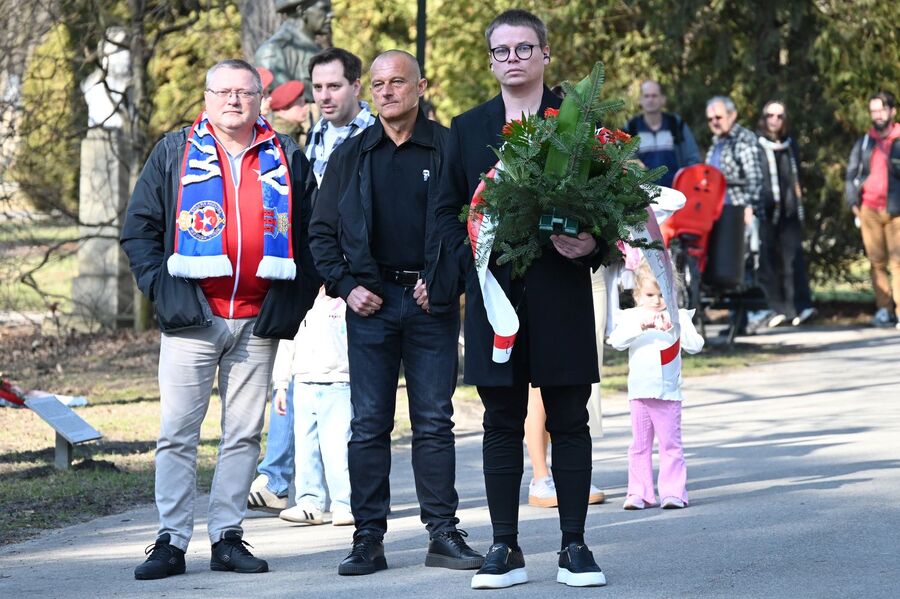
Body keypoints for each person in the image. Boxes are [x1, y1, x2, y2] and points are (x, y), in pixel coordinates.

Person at [120, 59, 319, 580]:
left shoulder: (287, 156)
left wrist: (291, 305)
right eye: (223, 92)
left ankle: (227, 535)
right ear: (206, 97)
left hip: (257, 319)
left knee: (243, 436)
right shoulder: (175, 151)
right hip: (192, 318)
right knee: (177, 433)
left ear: (260, 99)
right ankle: (170, 539)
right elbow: (139, 228)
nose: (233, 100)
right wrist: (163, 292)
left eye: (244, 92)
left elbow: (314, 235)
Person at [433, 9, 608, 589]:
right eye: (502, 51)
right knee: (501, 422)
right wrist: (470, 265)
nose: (512, 58)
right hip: (494, 298)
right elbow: (444, 215)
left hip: (561, 292)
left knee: (570, 419)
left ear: (545, 54)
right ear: (490, 60)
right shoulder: (466, 127)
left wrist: (592, 242)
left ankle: (575, 547)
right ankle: (504, 547)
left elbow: (613, 207)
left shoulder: (578, 122)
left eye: (523, 48)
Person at [309, 49, 483, 576]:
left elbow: (477, 223)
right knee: (368, 426)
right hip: (373, 302)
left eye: (397, 82)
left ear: (420, 87)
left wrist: (447, 282)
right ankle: (368, 539)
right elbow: (320, 231)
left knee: (434, 422)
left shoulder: (451, 148)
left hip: (431, 303)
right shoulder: (353, 154)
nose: (387, 91)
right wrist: (345, 286)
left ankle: (443, 534)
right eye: (379, 83)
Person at [248, 47, 375, 514]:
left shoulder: (372, 135)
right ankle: (290, 483)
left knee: (343, 389)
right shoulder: (318, 133)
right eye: (317, 87)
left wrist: (341, 276)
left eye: (334, 86)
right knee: (301, 376)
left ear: (356, 87)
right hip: (316, 276)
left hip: (352, 280)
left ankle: (342, 495)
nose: (324, 96)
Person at [608, 259, 704, 510]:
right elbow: (616, 341)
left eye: (663, 293)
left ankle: (673, 492)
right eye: (651, 294)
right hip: (640, 393)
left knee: (670, 445)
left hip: (668, 393)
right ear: (638, 294)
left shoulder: (679, 315)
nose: (657, 300)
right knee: (639, 446)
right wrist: (642, 326)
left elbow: (696, 346)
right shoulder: (632, 317)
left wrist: (679, 325)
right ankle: (639, 493)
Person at [272, 287, 354, 527]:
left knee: (337, 449)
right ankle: (310, 503)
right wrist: (281, 385)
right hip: (304, 383)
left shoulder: (346, 303)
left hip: (339, 383)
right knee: (305, 448)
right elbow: (286, 344)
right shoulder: (300, 302)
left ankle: (344, 504)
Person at [705, 95, 764, 334]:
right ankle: (736, 321)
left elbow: (755, 177)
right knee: (727, 264)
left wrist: (750, 207)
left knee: (746, 261)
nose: (715, 122)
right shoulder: (716, 142)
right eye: (710, 119)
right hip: (718, 213)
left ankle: (751, 315)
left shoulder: (744, 140)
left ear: (732, 115)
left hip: (739, 210)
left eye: (719, 117)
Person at [845, 91, 900, 328]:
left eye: (881, 110)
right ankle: (884, 309)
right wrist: (853, 203)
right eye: (873, 111)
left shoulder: (898, 139)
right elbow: (851, 173)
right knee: (876, 262)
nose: (877, 115)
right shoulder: (865, 142)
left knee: (898, 262)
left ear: (892, 111)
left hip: (896, 209)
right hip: (869, 209)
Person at [755, 100, 807, 327]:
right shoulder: (757, 145)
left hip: (789, 211)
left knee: (792, 259)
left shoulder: (790, 144)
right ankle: (777, 308)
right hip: (766, 212)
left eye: (779, 116)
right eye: (770, 115)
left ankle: (798, 307)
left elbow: (796, 177)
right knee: (768, 260)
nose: (774, 120)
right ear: (763, 118)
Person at [625, 80, 700, 187]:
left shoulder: (675, 123)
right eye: (646, 96)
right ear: (640, 100)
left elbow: (692, 158)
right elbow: (624, 161)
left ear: (663, 100)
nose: (650, 100)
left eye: (654, 96)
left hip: (676, 194)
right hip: (643, 197)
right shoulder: (631, 128)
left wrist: (688, 184)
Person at [254, 0, 331, 100]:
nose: (331, 15)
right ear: (302, 10)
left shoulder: (319, 51)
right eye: (324, 9)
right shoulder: (273, 52)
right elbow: (284, 102)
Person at [268, 80, 310, 144]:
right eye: (300, 103)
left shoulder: (294, 131)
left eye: (304, 102)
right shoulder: (281, 140)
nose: (306, 107)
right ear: (282, 111)